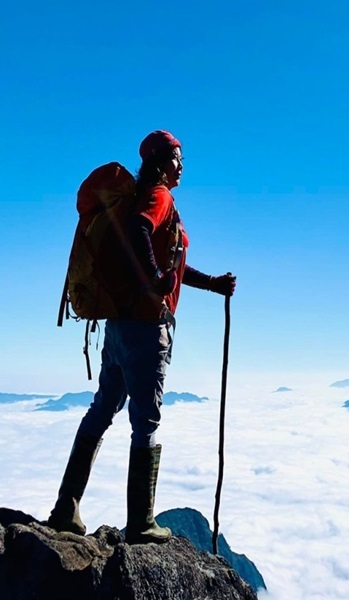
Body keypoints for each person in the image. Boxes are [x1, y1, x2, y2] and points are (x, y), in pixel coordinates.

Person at [47, 130, 236, 544]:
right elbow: (139, 232)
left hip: (118, 327)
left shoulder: (140, 196)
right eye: (176, 157)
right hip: (147, 331)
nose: (182, 165)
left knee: (102, 409)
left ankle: (67, 506)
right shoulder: (158, 197)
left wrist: (211, 284)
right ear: (159, 160)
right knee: (145, 421)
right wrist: (153, 282)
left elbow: (170, 264)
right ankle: (142, 522)